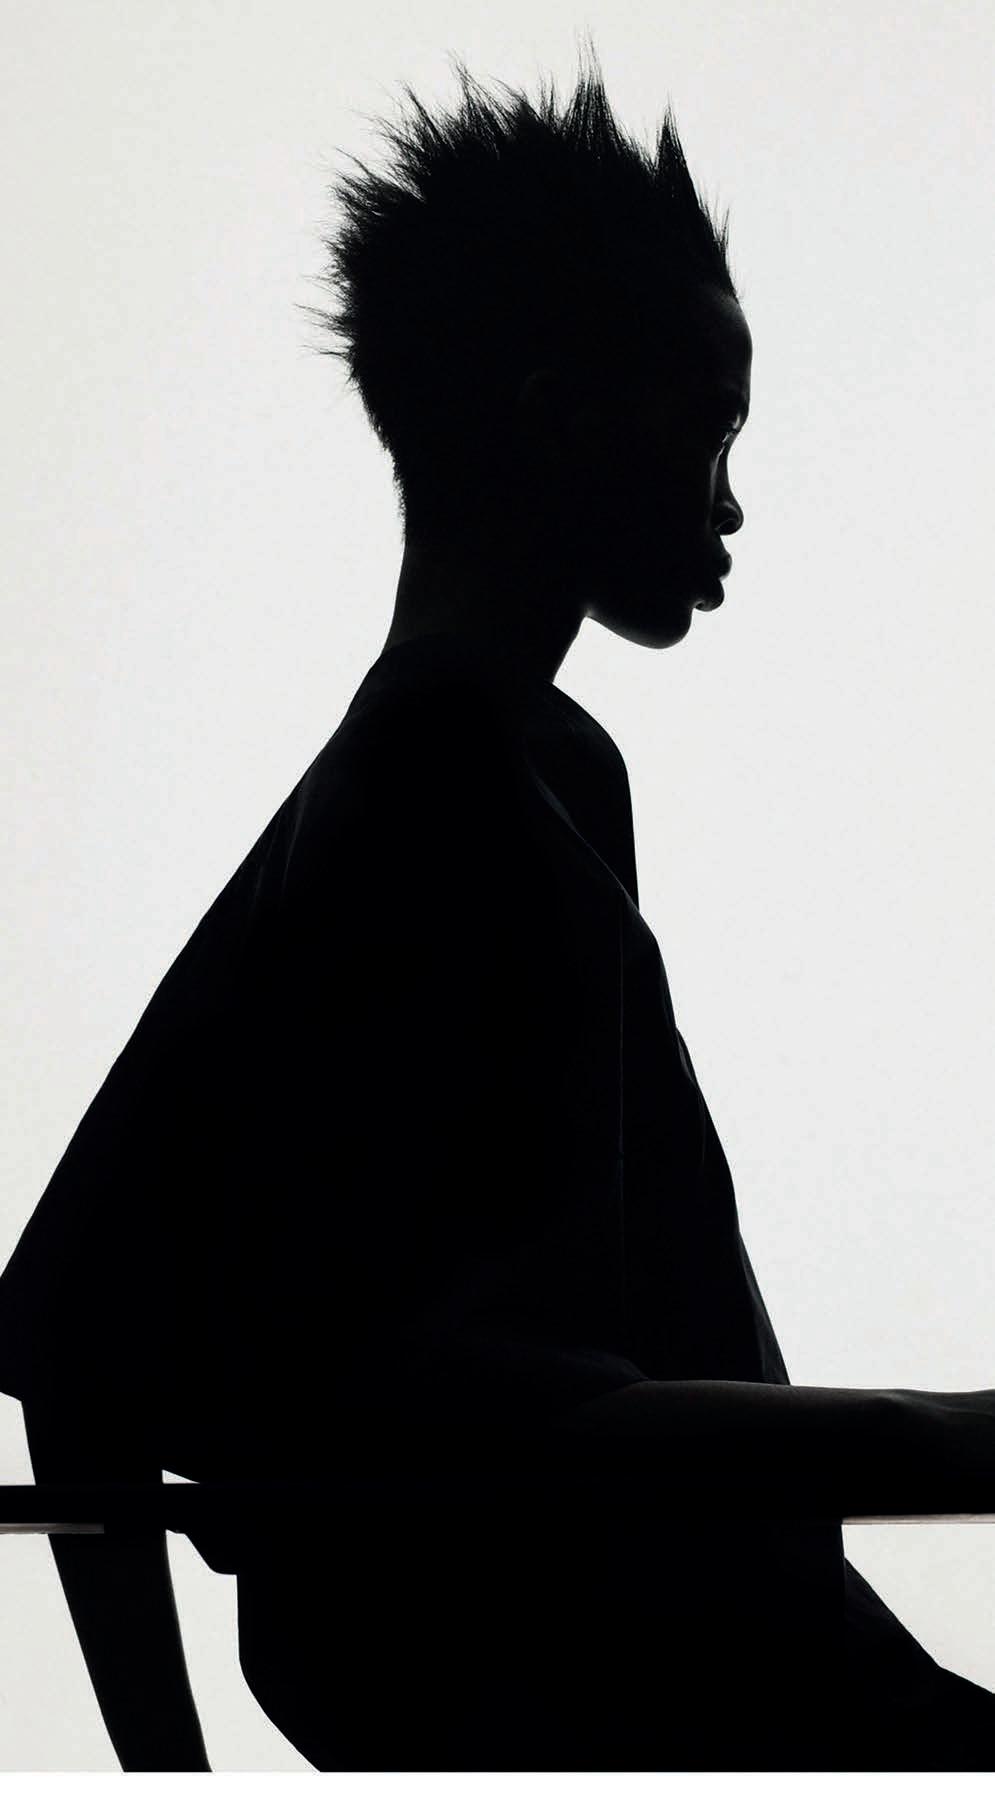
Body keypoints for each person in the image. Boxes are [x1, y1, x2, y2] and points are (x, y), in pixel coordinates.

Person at [1, 39, 994, 1771]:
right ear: (562, 413)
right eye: (709, 425)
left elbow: (75, 1326)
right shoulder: (433, 776)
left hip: (702, 1653)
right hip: (574, 1673)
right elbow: (106, 1347)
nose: (730, 500)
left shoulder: (518, 769)